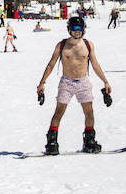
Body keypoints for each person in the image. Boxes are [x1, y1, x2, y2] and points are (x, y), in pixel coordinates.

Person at [36, 16, 112, 155]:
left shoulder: (88, 45)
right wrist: (42, 82)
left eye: (80, 29)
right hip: (67, 82)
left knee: (89, 112)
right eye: (75, 28)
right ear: (69, 29)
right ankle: (52, 142)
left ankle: (89, 141)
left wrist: (105, 81)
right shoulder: (62, 45)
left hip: (83, 82)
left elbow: (95, 64)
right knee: (59, 112)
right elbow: (51, 64)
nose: (77, 31)